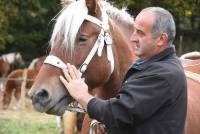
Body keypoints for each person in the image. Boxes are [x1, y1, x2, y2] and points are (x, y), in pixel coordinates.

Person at [59, 7, 187, 134]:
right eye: (134, 31)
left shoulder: (163, 74)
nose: (133, 38)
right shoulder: (147, 66)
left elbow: (119, 113)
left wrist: (82, 95)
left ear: (161, 39)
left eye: (140, 33)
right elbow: (138, 114)